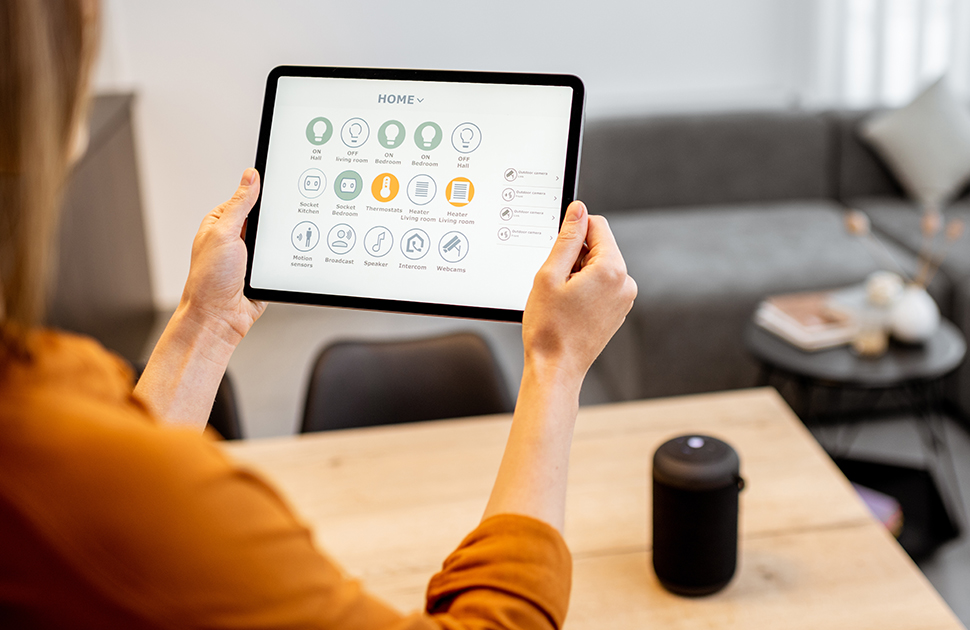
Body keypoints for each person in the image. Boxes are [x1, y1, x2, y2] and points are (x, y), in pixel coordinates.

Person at [0, 1, 637, 628]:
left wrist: (207, 317)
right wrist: (556, 363)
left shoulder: (62, 436)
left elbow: (123, 509)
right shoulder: (46, 453)